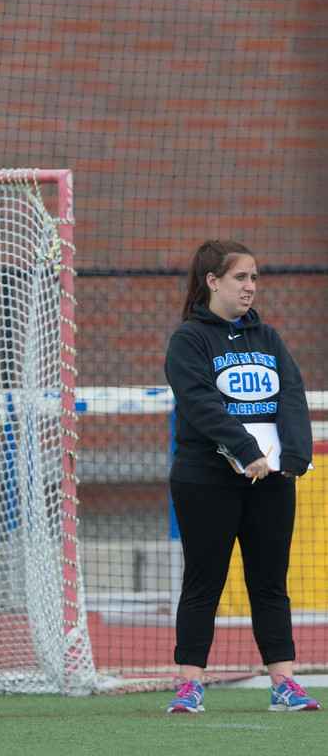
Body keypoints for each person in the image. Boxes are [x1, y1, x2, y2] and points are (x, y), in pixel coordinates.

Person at [164, 239, 318, 713]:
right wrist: (246, 450)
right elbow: (202, 404)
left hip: (270, 482)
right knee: (204, 581)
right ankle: (190, 685)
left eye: (254, 277)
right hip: (205, 480)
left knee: (270, 583)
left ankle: (284, 684)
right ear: (212, 282)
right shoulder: (189, 340)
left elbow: (291, 395)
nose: (250, 286)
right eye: (240, 277)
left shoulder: (268, 337)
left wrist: (296, 455)